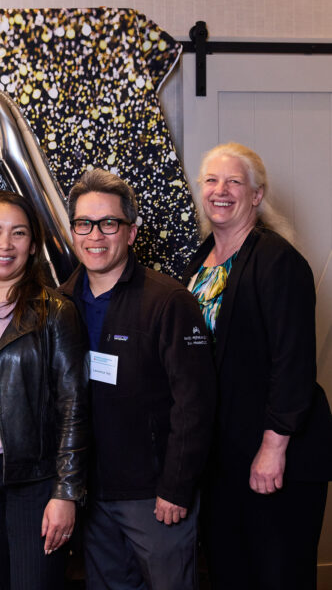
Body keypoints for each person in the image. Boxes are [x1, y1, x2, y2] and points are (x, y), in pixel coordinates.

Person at [182, 143, 332, 589]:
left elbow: (293, 362)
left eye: (234, 181)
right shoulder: (200, 262)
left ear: (256, 195)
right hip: (224, 454)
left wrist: (273, 447)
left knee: (277, 575)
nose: (221, 190)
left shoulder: (277, 260)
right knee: (230, 572)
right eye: (211, 180)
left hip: (276, 454)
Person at [57, 168, 216, 590]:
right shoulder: (60, 303)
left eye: (109, 223)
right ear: (72, 232)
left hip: (155, 497)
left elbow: (195, 403)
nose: (95, 235)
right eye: (84, 223)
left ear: (131, 232)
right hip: (92, 496)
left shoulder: (168, 302)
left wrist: (176, 487)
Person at [0, 191, 89, 590]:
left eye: (18, 233)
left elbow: (74, 406)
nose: (4, 244)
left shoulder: (55, 312)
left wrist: (65, 493)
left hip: (33, 479)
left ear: (33, 245)